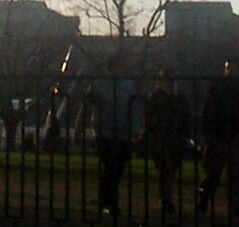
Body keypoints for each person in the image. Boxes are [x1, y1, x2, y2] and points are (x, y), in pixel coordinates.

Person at [84, 50, 138, 222]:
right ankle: (109, 203)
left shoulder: (126, 85)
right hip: (107, 132)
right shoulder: (102, 84)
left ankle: (107, 201)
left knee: (115, 169)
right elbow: (93, 103)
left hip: (121, 132)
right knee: (111, 168)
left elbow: (133, 107)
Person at [143, 69, 190, 215]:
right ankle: (166, 198)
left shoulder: (162, 97)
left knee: (168, 169)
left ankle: (165, 197)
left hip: (171, 137)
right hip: (163, 136)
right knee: (166, 168)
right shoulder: (164, 97)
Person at [198, 55, 239, 216]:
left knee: (230, 173)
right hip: (221, 135)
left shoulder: (218, 86)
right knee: (215, 172)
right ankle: (205, 196)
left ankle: (233, 204)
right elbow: (209, 111)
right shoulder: (219, 87)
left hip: (227, 134)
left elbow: (208, 110)